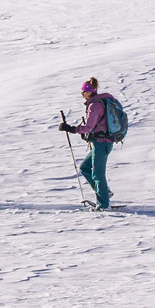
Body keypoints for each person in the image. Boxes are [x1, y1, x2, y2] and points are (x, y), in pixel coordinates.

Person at [66, 76, 113, 210]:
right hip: (101, 142)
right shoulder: (99, 102)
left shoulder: (95, 105)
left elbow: (88, 127)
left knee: (98, 174)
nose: (82, 94)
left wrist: (71, 129)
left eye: (83, 92)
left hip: (101, 143)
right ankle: (104, 192)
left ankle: (103, 205)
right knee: (85, 168)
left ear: (89, 92)